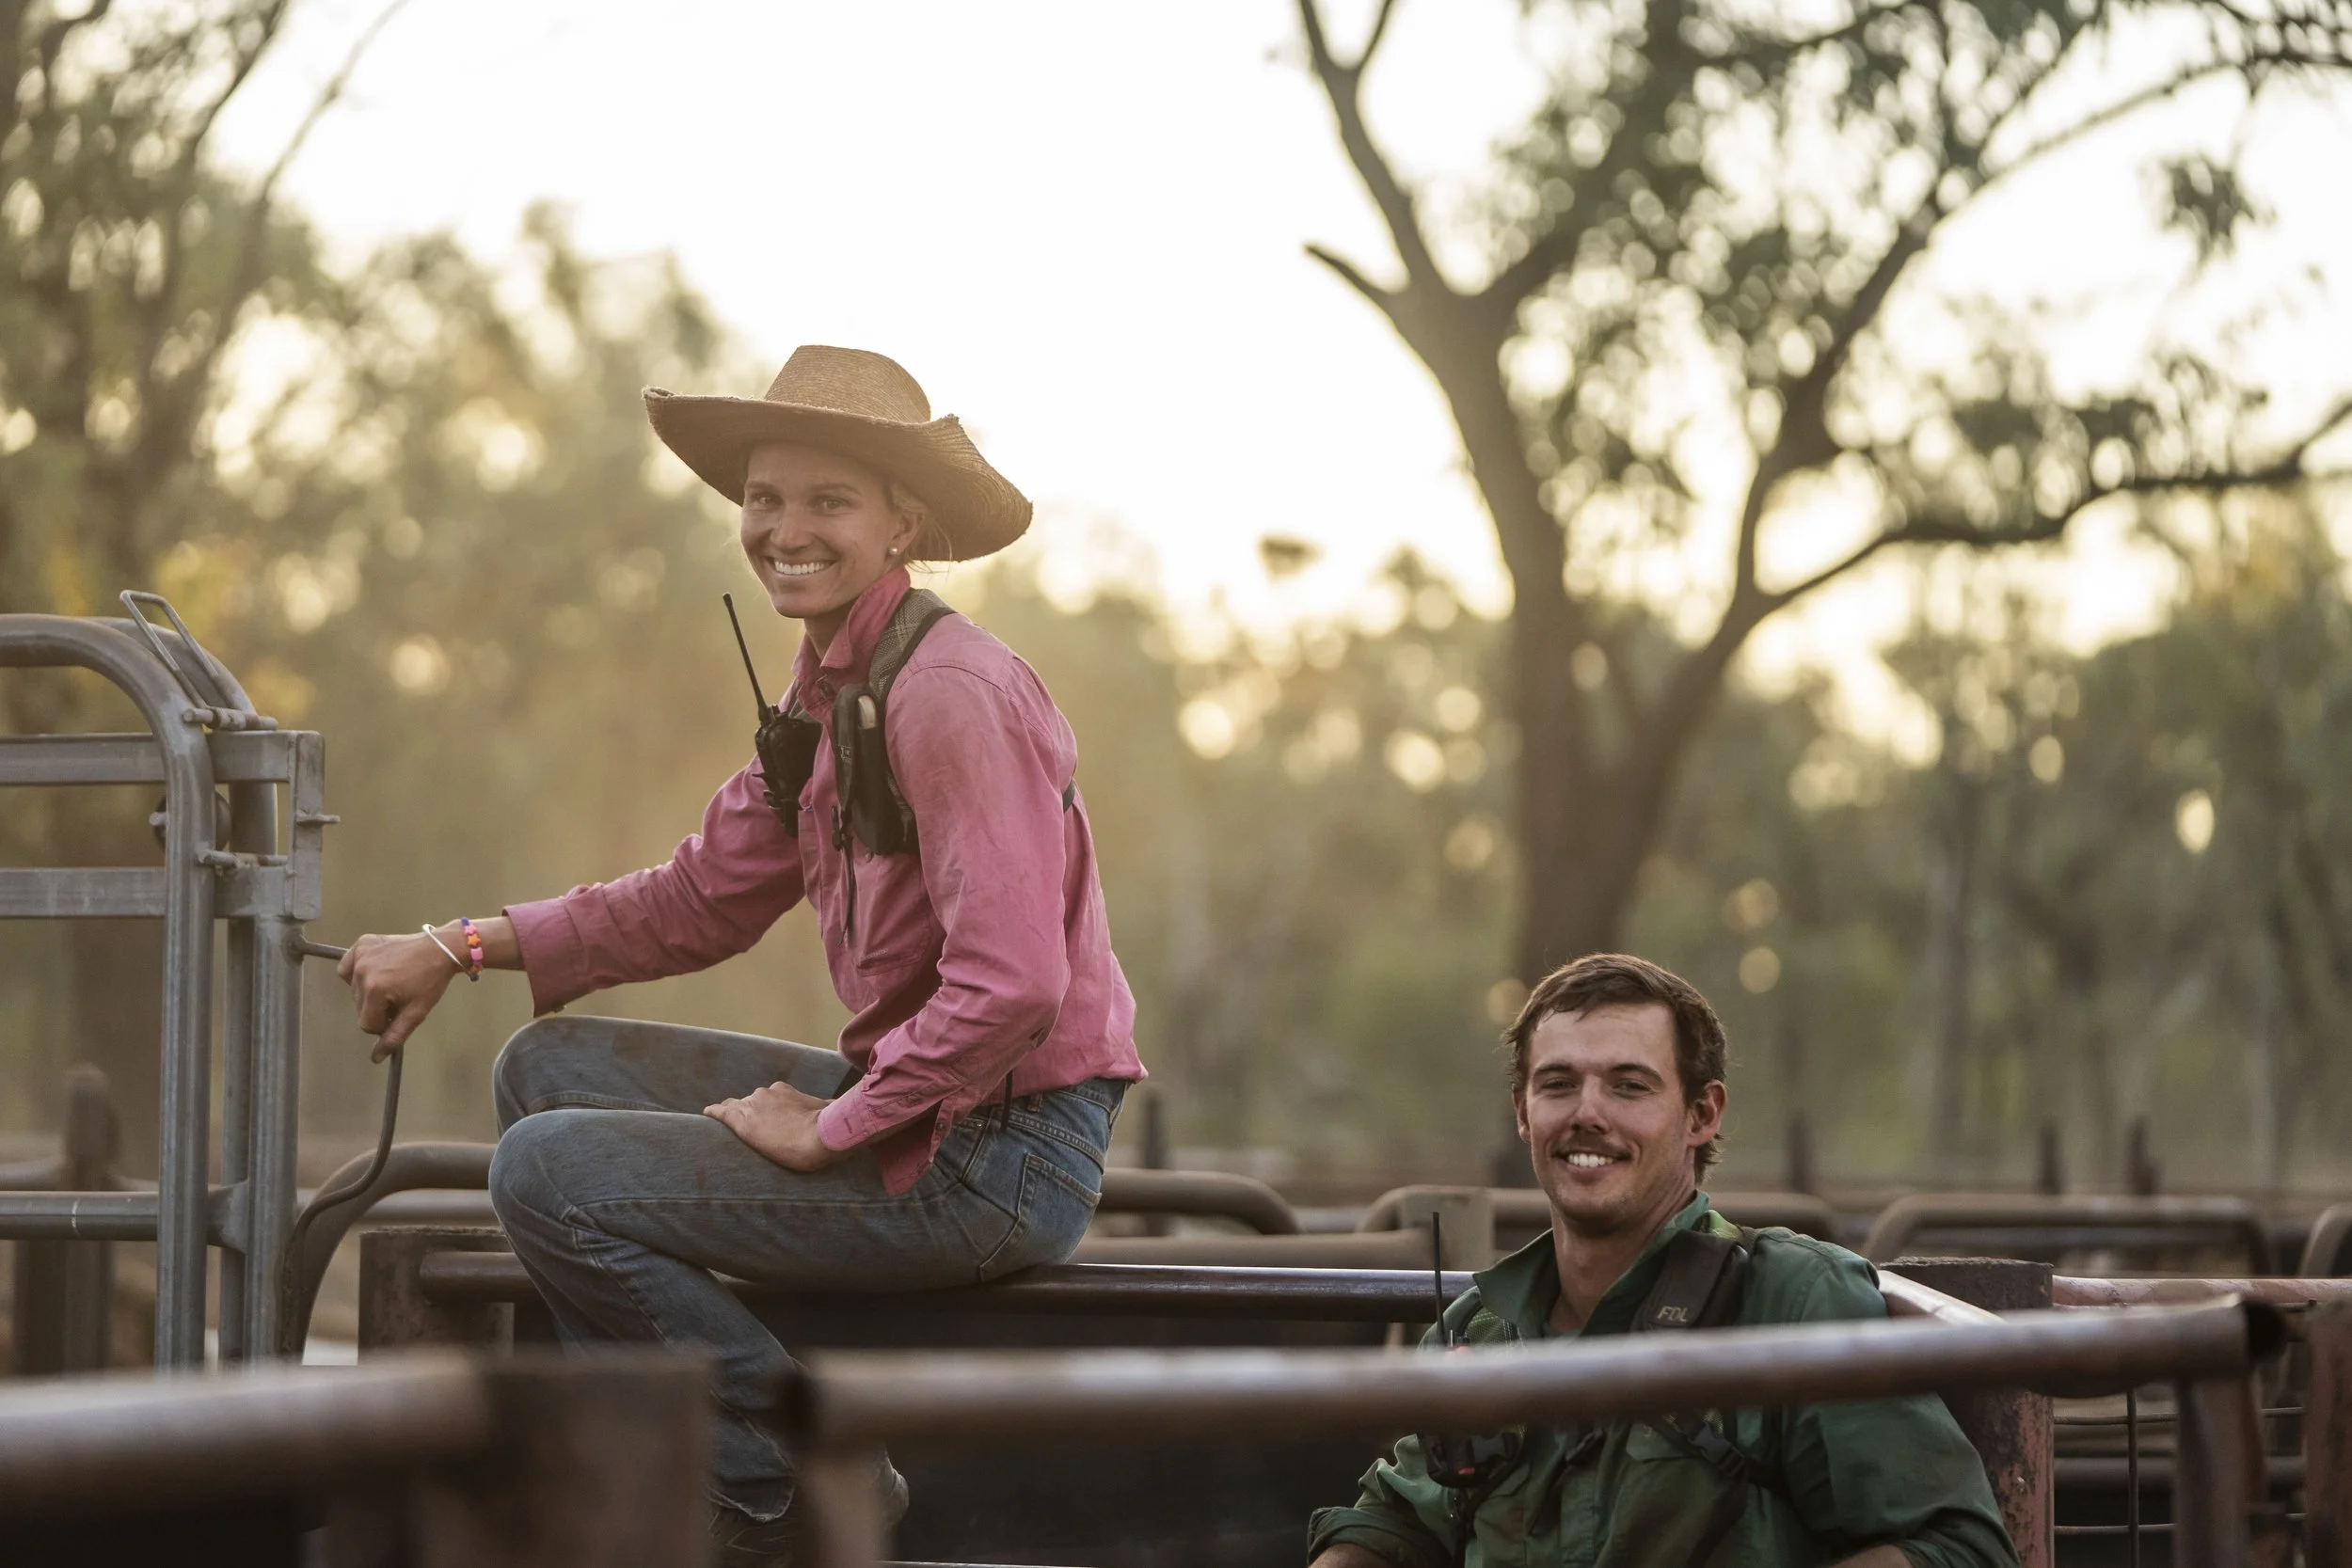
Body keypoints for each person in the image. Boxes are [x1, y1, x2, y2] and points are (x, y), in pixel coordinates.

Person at [336, 345, 1145, 1565]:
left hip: (1002, 1154)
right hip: (934, 1112)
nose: (785, 529)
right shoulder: (829, 696)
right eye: (766, 498)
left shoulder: (950, 693)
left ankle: (785, 1472)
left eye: (830, 501)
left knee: (547, 1175)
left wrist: (832, 1125)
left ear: (898, 524)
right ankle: (665, 1446)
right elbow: (698, 894)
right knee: (545, 1071)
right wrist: (458, 944)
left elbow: (1016, 981)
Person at [1309, 954, 2018, 1568]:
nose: (1588, 1112)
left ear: (1701, 1113)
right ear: (1522, 1112)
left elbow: (1959, 1549)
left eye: (1629, 1085)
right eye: (1557, 1083)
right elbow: (1396, 1524)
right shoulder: (1479, 1327)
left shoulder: (1791, 1302)